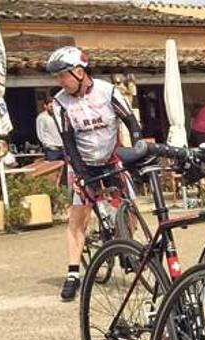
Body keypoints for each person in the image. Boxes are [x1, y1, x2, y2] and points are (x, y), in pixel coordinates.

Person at [45, 46, 143, 301]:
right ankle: (73, 274)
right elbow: (68, 143)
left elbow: (132, 123)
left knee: (130, 208)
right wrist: (81, 173)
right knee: (79, 219)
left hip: (112, 158)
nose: (60, 82)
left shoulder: (108, 92)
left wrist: (138, 152)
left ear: (79, 72)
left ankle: (125, 247)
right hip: (83, 162)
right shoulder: (60, 103)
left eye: (62, 76)